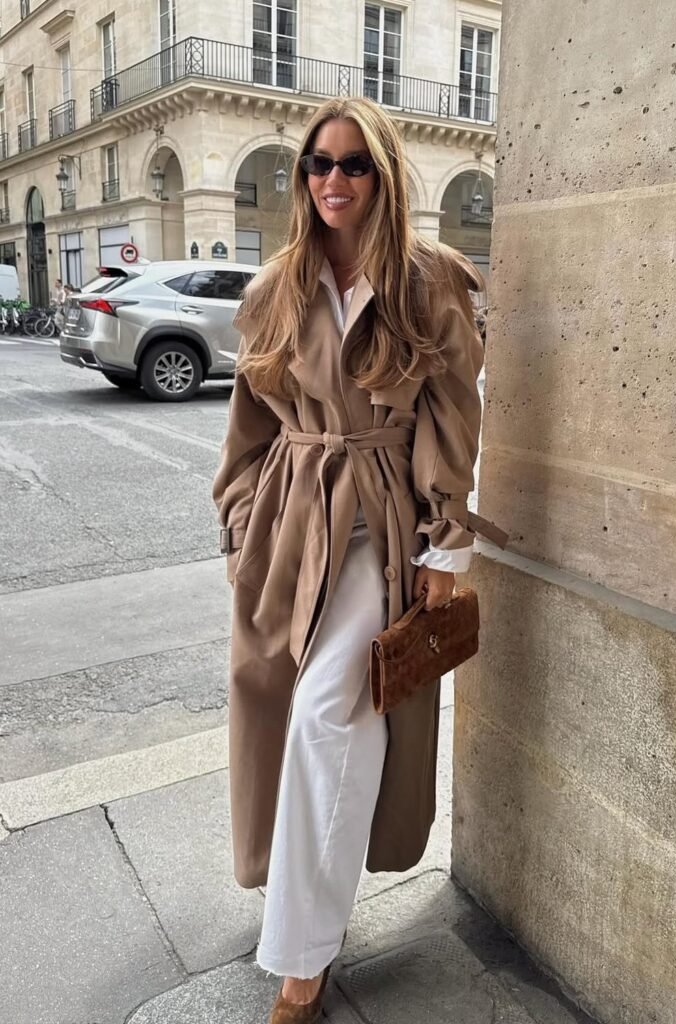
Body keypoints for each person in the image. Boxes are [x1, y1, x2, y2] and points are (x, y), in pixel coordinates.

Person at [212, 97, 507, 1024]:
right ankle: (305, 892)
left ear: (383, 174)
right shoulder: (275, 287)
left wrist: (446, 548)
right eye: (315, 164)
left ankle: (303, 959)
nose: (330, 180)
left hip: (380, 524)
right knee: (294, 706)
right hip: (289, 526)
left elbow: (453, 417)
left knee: (331, 708)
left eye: (351, 164)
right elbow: (248, 425)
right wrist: (240, 517)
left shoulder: (428, 283)